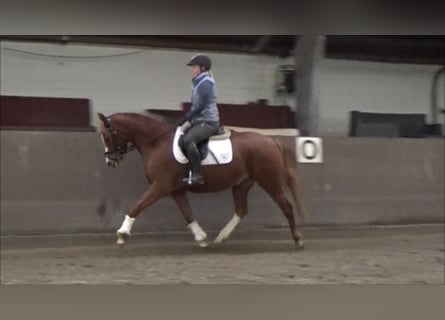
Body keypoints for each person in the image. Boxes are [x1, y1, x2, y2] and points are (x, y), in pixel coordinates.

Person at [177, 54, 221, 185]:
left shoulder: (206, 83)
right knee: (181, 140)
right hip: (199, 121)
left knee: (189, 140)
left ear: (203, 68)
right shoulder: (198, 83)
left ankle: (198, 175)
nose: (193, 70)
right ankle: (190, 170)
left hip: (209, 122)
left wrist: (186, 118)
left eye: (195, 67)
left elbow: (200, 106)